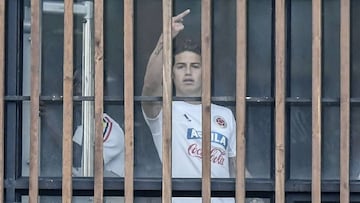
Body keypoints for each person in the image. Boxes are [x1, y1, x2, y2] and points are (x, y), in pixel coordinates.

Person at [141, 9, 258, 203]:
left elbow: (236, 167)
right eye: (180, 66)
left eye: (195, 66)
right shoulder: (163, 111)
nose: (188, 72)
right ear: (171, 74)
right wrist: (165, 39)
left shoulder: (225, 115)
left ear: (205, 72)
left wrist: (259, 197)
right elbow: (150, 85)